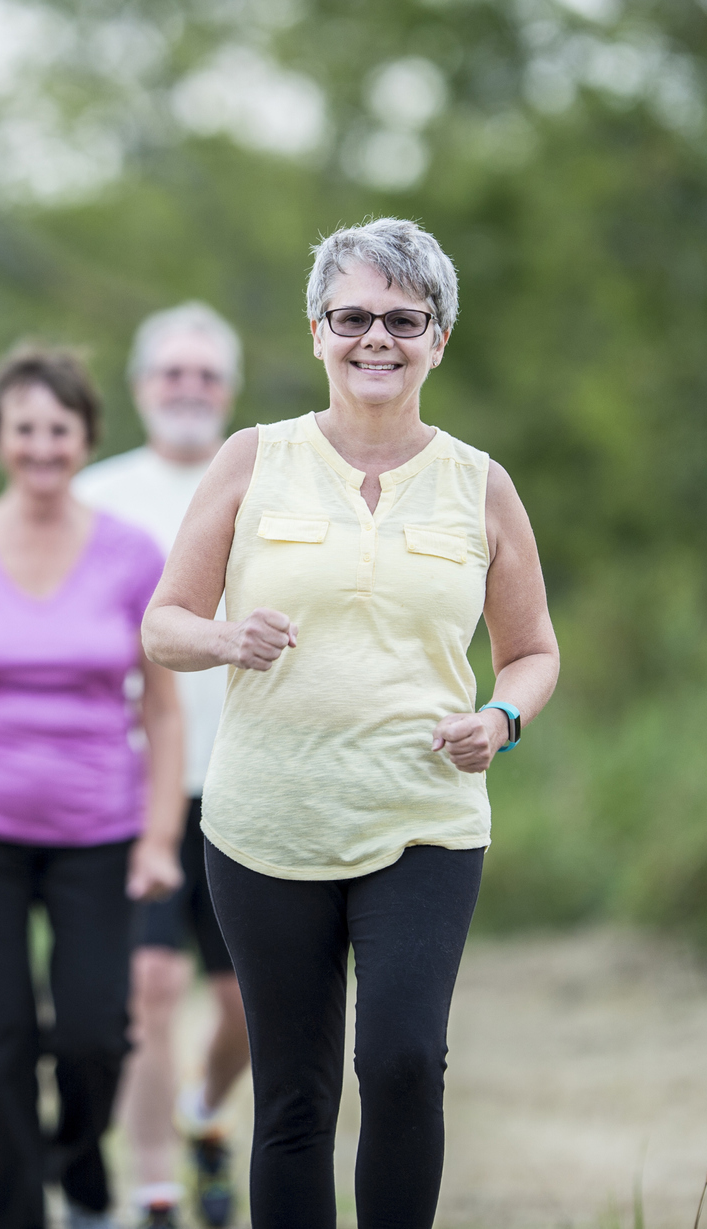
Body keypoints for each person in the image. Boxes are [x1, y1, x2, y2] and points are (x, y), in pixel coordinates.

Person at [143, 219, 561, 1229]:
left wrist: (500, 718)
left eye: (402, 319)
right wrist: (226, 637)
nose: (376, 338)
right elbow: (163, 625)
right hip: (266, 823)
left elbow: (532, 651)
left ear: (437, 338)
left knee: (405, 1062)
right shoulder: (252, 461)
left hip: (422, 818)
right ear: (317, 331)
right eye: (351, 316)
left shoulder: (478, 485)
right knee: (293, 1094)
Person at [0, 345, 187, 1229]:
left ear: (87, 437)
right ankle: (16, 1211)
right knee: (0, 1036)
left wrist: (160, 837)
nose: (42, 446)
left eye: (59, 429)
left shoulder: (134, 554)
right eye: (24, 428)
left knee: (97, 1029)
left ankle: (78, 1154)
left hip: (99, 824)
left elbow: (164, 713)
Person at [74, 303, 247, 1229]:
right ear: (142, 386)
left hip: (252, 784)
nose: (188, 389)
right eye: (171, 373)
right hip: (135, 791)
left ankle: (203, 1114)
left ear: (228, 389)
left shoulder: (266, 487)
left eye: (205, 375)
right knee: (147, 986)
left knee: (251, 1005)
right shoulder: (99, 496)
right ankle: (151, 1188)